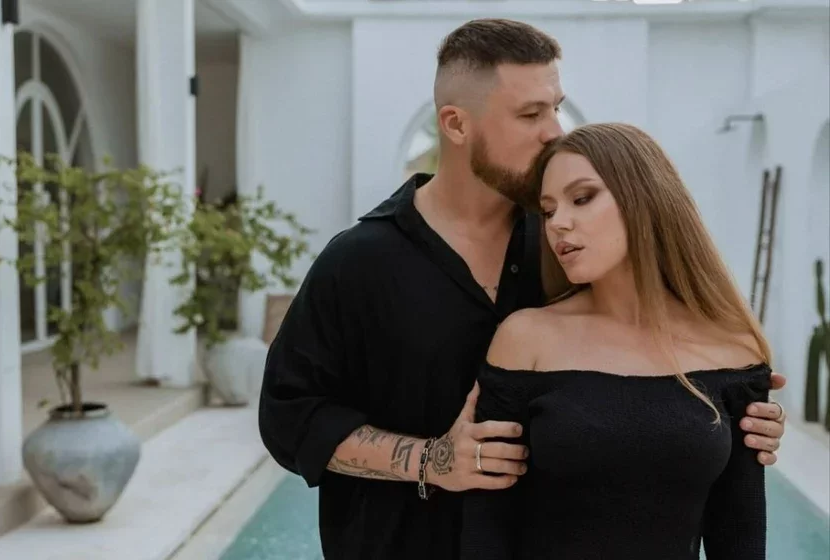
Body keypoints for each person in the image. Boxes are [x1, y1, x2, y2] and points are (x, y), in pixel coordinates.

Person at [258, 18, 787, 560]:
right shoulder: (358, 262)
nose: (554, 131)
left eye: (556, 107)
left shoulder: (572, 249)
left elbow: (644, 377)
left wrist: (725, 412)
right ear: (456, 125)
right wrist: (431, 460)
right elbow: (288, 419)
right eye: (531, 114)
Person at [460, 122, 774, 559]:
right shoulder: (526, 340)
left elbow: (739, 532)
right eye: (548, 211)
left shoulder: (733, 348)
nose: (558, 224)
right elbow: (488, 523)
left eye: (582, 198)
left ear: (644, 196)